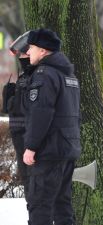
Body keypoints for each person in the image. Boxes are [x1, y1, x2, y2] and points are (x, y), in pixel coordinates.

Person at [22, 28, 81, 225]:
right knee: (62, 204)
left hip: (49, 151)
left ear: (44, 51)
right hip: (66, 148)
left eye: (31, 47)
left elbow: (41, 113)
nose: (28, 52)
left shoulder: (44, 75)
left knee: (40, 204)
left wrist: (31, 147)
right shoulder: (68, 75)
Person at [1, 31, 34, 201]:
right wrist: (10, 100)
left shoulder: (37, 76)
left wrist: (14, 101)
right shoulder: (24, 76)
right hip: (19, 136)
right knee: (28, 182)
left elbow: (33, 109)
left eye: (22, 53)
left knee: (35, 184)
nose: (20, 57)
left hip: (29, 140)